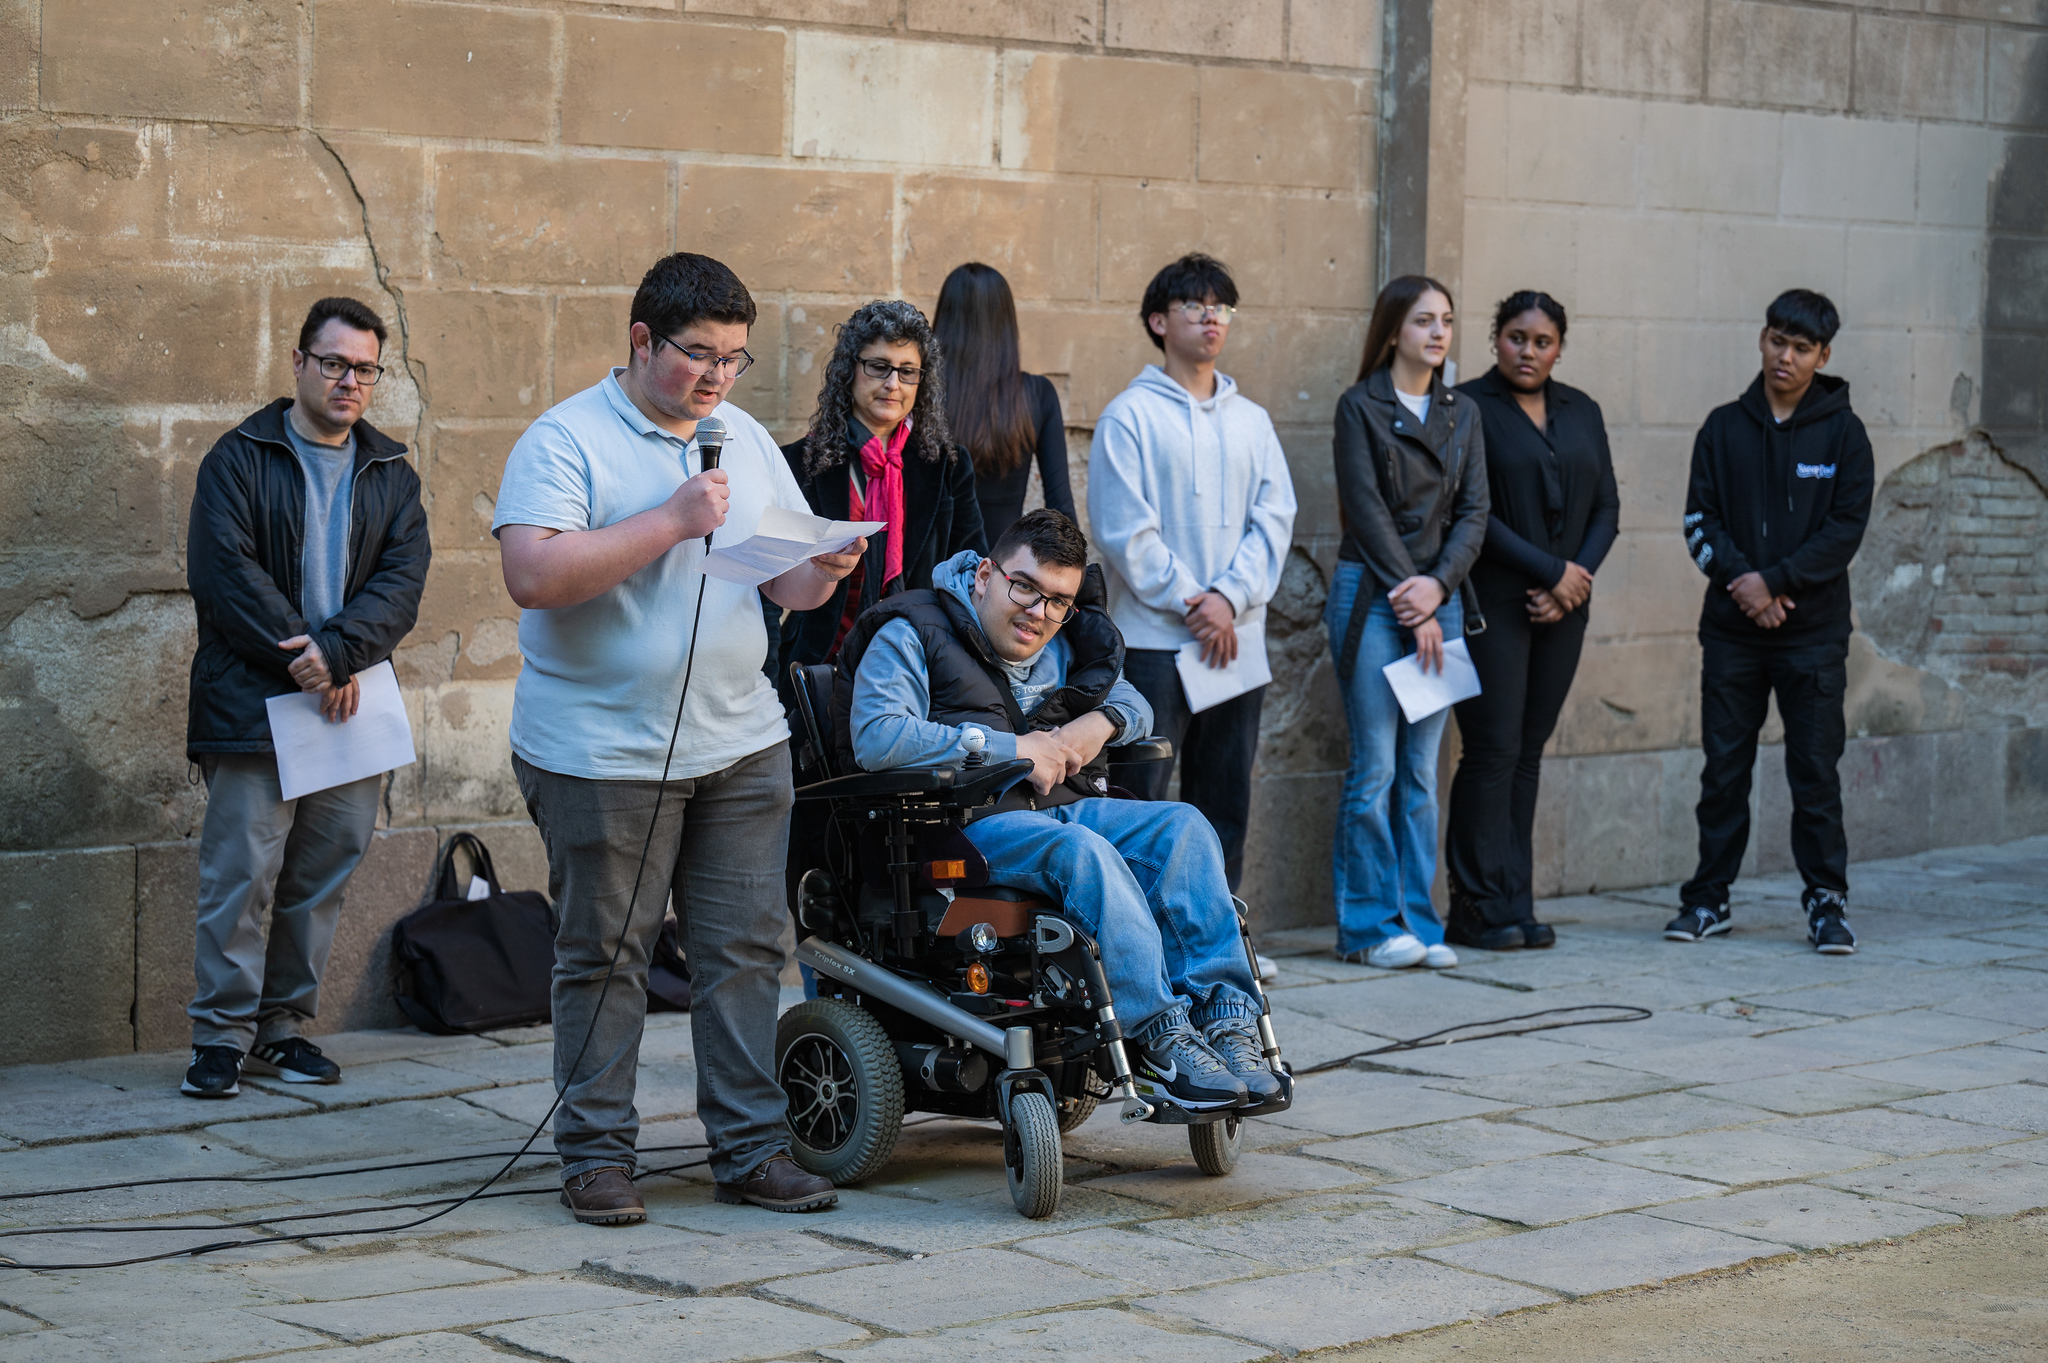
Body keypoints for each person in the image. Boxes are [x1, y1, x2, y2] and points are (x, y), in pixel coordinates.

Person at [494, 253, 866, 1225]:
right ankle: (596, 1157)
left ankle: (749, 1148)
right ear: (640, 341)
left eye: (734, 359)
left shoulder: (738, 435)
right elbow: (531, 576)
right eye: (697, 356)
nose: (715, 378)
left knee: (744, 949)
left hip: (740, 740)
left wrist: (821, 566)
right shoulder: (562, 439)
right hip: (598, 750)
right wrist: (666, 521)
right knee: (605, 953)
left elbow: (780, 584)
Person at [840, 510, 1277, 1111]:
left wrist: (1102, 721)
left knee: (1183, 827)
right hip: (964, 827)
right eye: (1024, 587)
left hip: (1062, 811)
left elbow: (1133, 702)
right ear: (986, 574)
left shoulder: (1068, 640)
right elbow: (877, 735)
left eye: (1058, 601)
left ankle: (1226, 1021)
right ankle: (1158, 1035)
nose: (1038, 613)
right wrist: (1009, 748)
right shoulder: (912, 630)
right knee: (1084, 853)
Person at [181, 296, 429, 1099]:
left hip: (349, 705)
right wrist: (310, 654)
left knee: (322, 873)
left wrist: (342, 652)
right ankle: (220, 1035)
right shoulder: (239, 456)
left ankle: (281, 1029)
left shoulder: (391, 471)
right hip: (256, 703)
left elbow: (403, 579)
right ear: (299, 363)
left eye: (364, 368)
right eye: (333, 362)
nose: (349, 380)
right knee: (240, 873)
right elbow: (224, 572)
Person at [1670, 289, 1873, 955]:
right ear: (1762, 339)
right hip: (1733, 633)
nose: (1785, 356)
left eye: (1801, 347)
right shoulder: (1722, 428)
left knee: (1814, 771)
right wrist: (1745, 586)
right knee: (1723, 770)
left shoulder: (1845, 434)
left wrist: (1777, 582)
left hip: (1812, 635)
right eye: (1776, 340)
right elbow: (1700, 521)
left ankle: (1826, 902)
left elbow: (1845, 530)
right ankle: (1708, 898)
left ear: (1824, 355)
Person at [1087, 253, 1297, 891]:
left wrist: (1229, 600)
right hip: (1154, 640)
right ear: (1158, 320)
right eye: (1195, 305)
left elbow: (1275, 517)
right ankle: (1138, 936)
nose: (1212, 317)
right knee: (1140, 793)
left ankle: (1221, 934)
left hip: (1232, 637)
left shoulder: (1252, 421)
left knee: (1224, 795)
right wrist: (1192, 601)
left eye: (1223, 307)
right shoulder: (1129, 415)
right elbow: (1125, 529)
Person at [1446, 292, 1619, 951]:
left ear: (1559, 347)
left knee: (1528, 751)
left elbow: (1607, 506)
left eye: (1542, 341)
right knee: (1492, 749)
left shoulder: (1583, 411)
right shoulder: (1467, 407)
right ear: (1496, 340)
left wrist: (1573, 581)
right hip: (1494, 601)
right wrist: (1552, 571)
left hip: (1565, 606)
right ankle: (1474, 905)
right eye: (1516, 337)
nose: (1528, 351)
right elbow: (1472, 512)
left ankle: (1516, 901)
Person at [1325, 276, 1489, 969]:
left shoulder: (1464, 411)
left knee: (1423, 772)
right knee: (1376, 768)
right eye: (1424, 319)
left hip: (1438, 595)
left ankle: (1420, 923)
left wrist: (1438, 586)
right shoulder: (1359, 406)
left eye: (1447, 320)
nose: (1438, 332)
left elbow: (1475, 511)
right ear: (1394, 329)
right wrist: (1411, 592)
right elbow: (1364, 510)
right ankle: (1367, 927)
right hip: (1373, 594)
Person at [772, 299, 985, 691]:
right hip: (818, 671)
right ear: (849, 370)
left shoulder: (948, 466)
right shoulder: (798, 463)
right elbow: (768, 589)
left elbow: (972, 574)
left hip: (921, 669)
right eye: (879, 367)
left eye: (908, 372)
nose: (893, 384)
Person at [932, 262, 1077, 541]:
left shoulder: (919, 391)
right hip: (1004, 570)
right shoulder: (1037, 394)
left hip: (931, 569)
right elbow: (1062, 509)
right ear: (1006, 323)